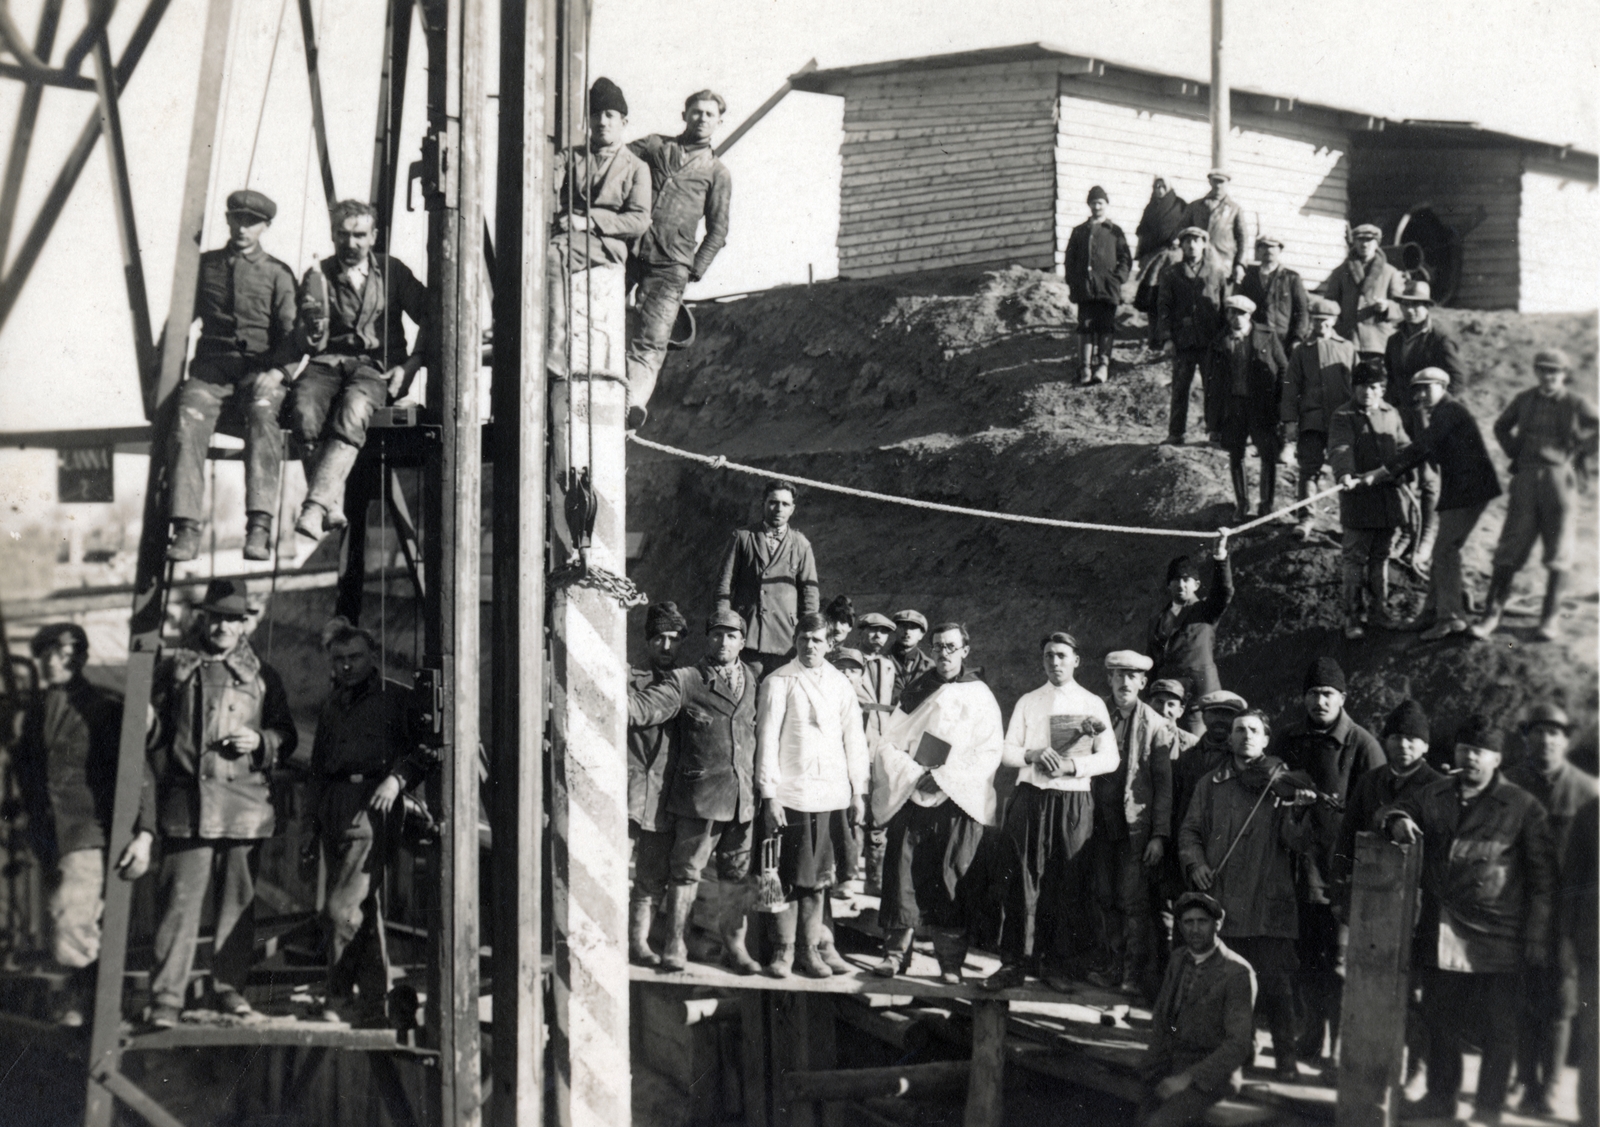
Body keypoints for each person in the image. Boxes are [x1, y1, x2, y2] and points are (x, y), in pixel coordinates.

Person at [1384, 717, 1555, 1126]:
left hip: (1499, 933)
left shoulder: (1521, 806)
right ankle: (1440, 1099)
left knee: (1498, 1029)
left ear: (1496, 758)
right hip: (1443, 929)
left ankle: (1488, 1108)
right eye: (1465, 750)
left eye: (1480, 752)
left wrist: (1536, 935)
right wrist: (1397, 820)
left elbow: (1544, 880)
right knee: (1440, 1020)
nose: (1471, 758)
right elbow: (1394, 809)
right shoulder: (1435, 793)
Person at [145, 579, 296, 1027]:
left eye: (233, 620)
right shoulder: (173, 672)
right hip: (186, 807)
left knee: (237, 907)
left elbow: (286, 735)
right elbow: (153, 737)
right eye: (217, 618)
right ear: (204, 619)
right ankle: (166, 999)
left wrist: (260, 740)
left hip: (243, 807)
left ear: (244, 624)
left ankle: (229, 991)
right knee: (178, 904)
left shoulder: (264, 676)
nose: (224, 628)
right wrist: (147, 720)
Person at [10, 625, 154, 1026]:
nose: (52, 662)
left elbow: (139, 773)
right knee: (70, 921)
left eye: (62, 655)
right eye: (46, 655)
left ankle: (89, 1006)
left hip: (87, 832)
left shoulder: (104, 709)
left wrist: (145, 833)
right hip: (49, 835)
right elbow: (28, 770)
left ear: (81, 660)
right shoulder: (36, 711)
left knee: (70, 919)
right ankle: (91, 1008)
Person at [308, 617, 435, 1026]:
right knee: (361, 906)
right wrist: (313, 823)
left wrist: (397, 780)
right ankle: (375, 999)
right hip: (336, 806)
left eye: (356, 657)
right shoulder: (333, 705)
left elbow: (429, 748)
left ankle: (339, 995)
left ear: (373, 656)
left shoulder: (395, 699)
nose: (347, 666)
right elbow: (318, 767)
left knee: (340, 909)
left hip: (373, 808)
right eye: (339, 659)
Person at [1179, 708, 1317, 1082]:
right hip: (1224, 897)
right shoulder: (1210, 783)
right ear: (1230, 738)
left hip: (1267, 899)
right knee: (1232, 985)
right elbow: (1189, 832)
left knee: (1276, 984)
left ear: (1266, 739)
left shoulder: (1280, 783)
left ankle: (1286, 1059)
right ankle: (1241, 1054)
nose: (1246, 736)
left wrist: (1299, 812)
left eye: (1254, 730)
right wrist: (1196, 864)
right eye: (1240, 730)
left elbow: (1296, 843)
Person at [166, 190, 300, 562]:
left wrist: (279, 373)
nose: (243, 228)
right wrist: (160, 370)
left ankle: (259, 527)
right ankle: (186, 529)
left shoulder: (278, 273)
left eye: (252, 222)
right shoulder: (205, 266)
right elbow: (178, 322)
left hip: (259, 374)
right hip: (211, 372)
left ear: (265, 226)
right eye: (237, 219)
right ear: (227, 219)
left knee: (263, 415)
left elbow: (293, 335)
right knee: (187, 420)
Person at [628, 610, 763, 974]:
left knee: (736, 875)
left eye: (731, 636)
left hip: (742, 800)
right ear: (707, 639)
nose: (723, 642)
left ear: (742, 641)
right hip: (699, 799)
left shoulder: (752, 679)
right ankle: (675, 943)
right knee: (686, 872)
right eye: (716, 634)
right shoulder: (686, 679)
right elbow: (643, 709)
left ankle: (736, 947)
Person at [982, 631, 1119, 992]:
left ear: (1076, 660)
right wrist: (1032, 754)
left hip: (1073, 800)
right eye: (1048, 655)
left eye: (1061, 655)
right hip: (1031, 797)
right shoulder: (1029, 701)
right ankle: (1013, 963)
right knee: (1020, 878)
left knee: (1067, 880)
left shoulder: (1092, 703)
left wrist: (1073, 767)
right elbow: (1006, 752)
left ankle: (1055, 964)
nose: (1055, 662)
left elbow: (1110, 758)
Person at [871, 623, 1005, 984]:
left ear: (965, 651)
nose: (943, 653)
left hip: (956, 799)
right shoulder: (918, 690)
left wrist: (945, 778)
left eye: (951, 647)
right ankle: (895, 955)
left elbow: (989, 750)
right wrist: (915, 774)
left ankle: (949, 962)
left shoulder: (980, 696)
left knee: (951, 878)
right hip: (913, 792)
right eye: (938, 647)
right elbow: (888, 743)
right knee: (902, 873)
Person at [290, 199, 431, 538]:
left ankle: (314, 507)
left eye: (359, 235)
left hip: (376, 368)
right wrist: (309, 328)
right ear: (332, 234)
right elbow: (301, 335)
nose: (350, 243)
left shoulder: (393, 271)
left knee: (354, 410)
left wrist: (412, 364)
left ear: (373, 236)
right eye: (343, 234)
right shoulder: (318, 275)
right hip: (327, 365)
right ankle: (330, 503)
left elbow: (433, 314)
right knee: (304, 408)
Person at [1269, 658, 1384, 1064]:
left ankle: (1339, 1045)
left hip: (1340, 873)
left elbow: (1377, 808)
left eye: (1328, 694)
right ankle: (1312, 1033)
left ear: (1343, 698)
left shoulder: (1362, 745)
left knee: (1337, 964)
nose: (1320, 701)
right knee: (1303, 958)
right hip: (1297, 869)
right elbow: (1271, 785)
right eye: (1314, 694)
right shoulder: (1288, 738)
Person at [754, 613, 869, 978]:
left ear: (829, 643)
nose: (809, 645)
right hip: (791, 795)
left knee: (819, 877)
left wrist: (858, 791)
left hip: (831, 795)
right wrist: (769, 795)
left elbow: (855, 741)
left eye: (817, 640)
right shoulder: (778, 682)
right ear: (795, 639)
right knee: (784, 876)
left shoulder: (840, 685)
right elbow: (766, 741)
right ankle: (783, 951)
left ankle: (810, 950)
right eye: (804, 638)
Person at [1505, 703, 1597, 1115]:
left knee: (1561, 1003)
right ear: (1526, 737)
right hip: (1518, 906)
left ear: (1566, 740)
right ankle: (1526, 1082)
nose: (1546, 740)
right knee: (1521, 999)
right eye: (1537, 732)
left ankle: (1551, 1088)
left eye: (1554, 733)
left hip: (1568, 910)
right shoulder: (1510, 783)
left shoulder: (1586, 790)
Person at [1363, 367, 1501, 640]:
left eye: (1427, 388)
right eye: (1419, 389)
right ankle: (1430, 613)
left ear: (1443, 387)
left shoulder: (1449, 411)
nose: (1422, 395)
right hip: (1462, 490)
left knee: (1445, 551)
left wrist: (1382, 472)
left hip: (1469, 492)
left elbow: (1422, 447)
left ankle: (1450, 618)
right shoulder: (1442, 412)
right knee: (1443, 551)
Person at [625, 90, 732, 428]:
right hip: (626, 251)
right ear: (684, 114)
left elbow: (718, 231)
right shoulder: (654, 146)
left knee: (652, 339)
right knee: (598, 316)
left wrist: (693, 270)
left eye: (709, 114)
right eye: (696, 112)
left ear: (719, 122)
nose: (702, 119)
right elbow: (615, 161)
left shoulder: (717, 173)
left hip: (671, 266)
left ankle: (632, 402)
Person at [1475, 348, 1600, 641]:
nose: (1548, 376)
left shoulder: (1575, 402)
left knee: (1559, 551)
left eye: (1554, 371)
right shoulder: (1525, 399)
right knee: (1510, 547)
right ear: (1536, 372)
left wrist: (1579, 454)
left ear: (1564, 374)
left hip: (1560, 479)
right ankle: (1491, 615)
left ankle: (1549, 619)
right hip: (1527, 478)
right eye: (1543, 370)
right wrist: (1515, 452)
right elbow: (1501, 426)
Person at [545, 78, 652, 387]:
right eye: (596, 115)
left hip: (606, 244)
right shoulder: (571, 156)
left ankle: (556, 350)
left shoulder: (636, 167)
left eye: (609, 115)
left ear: (623, 122)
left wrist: (589, 222)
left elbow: (639, 220)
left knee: (553, 255)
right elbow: (545, 178)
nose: (602, 122)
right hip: (568, 236)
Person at [1087, 650, 1177, 1000]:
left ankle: (1132, 975)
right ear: (1109, 679)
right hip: (1098, 824)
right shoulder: (1096, 715)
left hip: (1134, 830)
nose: (1124, 682)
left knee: (1132, 901)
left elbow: (1164, 787)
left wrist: (1159, 835)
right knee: (1104, 897)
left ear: (1142, 682)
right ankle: (1112, 966)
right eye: (1118, 675)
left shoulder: (1155, 725)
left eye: (1132, 676)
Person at [1135, 892, 1257, 1127]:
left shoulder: (1237, 972)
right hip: (1174, 1063)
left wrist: (1187, 1078)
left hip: (1213, 1075)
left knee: (1160, 1123)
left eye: (1202, 922)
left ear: (1217, 924)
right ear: (1180, 926)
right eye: (1188, 922)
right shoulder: (1178, 959)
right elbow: (1164, 1018)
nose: (1195, 929)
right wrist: (1153, 1061)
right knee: (1140, 1117)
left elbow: (1237, 1045)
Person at [1383, 278, 1462, 578]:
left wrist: (1440, 409)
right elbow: (1391, 378)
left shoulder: (1439, 338)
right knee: (1401, 474)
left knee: (1428, 478)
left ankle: (1425, 540)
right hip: (1401, 417)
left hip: (1428, 418)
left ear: (1427, 307)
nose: (1411, 310)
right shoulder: (1394, 340)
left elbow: (1457, 379)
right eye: (1406, 304)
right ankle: (1407, 533)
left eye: (1417, 305)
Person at [1329, 360, 1412, 637]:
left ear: (1382, 389)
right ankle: (1352, 616)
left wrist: (1402, 470)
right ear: (1354, 388)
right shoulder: (1343, 415)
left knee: (1381, 557)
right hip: (1358, 500)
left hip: (1388, 500)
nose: (1367, 392)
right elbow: (1340, 448)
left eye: (1374, 387)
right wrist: (1344, 473)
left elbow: (1404, 447)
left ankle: (1379, 611)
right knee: (1354, 559)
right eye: (1362, 386)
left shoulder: (1391, 414)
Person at [625, 601, 686, 966]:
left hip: (663, 798)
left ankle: (639, 943)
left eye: (674, 639)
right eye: (659, 638)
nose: (666, 646)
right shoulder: (625, 679)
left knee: (651, 879)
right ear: (648, 641)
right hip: (625, 793)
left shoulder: (688, 683)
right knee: (613, 868)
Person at [715, 481, 820, 679]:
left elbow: (810, 593)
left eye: (785, 504)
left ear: (792, 509)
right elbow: (724, 585)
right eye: (773, 502)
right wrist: (727, 629)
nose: (779, 509)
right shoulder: (743, 537)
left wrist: (807, 634)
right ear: (763, 504)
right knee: (746, 692)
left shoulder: (801, 544)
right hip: (748, 635)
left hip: (785, 639)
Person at [1283, 296, 1359, 541]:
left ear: (1334, 321)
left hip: (1341, 421)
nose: (1320, 325)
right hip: (1312, 421)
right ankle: (1306, 518)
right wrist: (1290, 421)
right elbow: (1291, 387)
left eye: (1325, 320)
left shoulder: (1347, 348)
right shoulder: (1301, 351)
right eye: (1316, 320)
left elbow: (1358, 384)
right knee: (1308, 470)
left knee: (1346, 472)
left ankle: (1350, 524)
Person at [1211, 294, 1290, 521]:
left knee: (1268, 453)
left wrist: (1281, 403)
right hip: (1234, 406)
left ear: (1249, 315)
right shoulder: (1219, 342)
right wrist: (1213, 420)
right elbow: (1212, 384)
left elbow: (1283, 370)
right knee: (1236, 454)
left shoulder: (1267, 336)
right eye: (1232, 312)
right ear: (1227, 315)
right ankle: (1242, 503)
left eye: (1242, 313)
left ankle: (1266, 505)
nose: (1237, 318)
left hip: (1261, 406)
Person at [1146, 542, 1233, 735]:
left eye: (1187, 580)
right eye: (1176, 580)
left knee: (1198, 744)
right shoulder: (1157, 619)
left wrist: (1220, 557)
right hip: (1166, 701)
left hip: (1199, 701)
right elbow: (1152, 662)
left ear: (1196, 585)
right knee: (1162, 744)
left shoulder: (1205, 611)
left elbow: (1224, 592)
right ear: (1169, 585)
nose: (1181, 584)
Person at [1155, 227, 1230, 445]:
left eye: (1196, 241)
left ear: (1204, 244)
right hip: (1183, 341)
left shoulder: (1217, 273)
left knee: (1213, 388)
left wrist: (1224, 337)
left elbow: (1225, 308)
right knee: (1180, 387)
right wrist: (1167, 338)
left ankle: (1215, 431)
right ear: (1182, 246)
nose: (1192, 245)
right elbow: (1164, 307)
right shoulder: (1171, 273)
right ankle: (1176, 432)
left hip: (1210, 341)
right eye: (1187, 241)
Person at [1064, 185, 1133, 385]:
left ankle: (1103, 365)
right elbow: (1069, 260)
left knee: (1106, 325)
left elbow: (1125, 258)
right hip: (1085, 288)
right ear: (1089, 205)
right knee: (1085, 325)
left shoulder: (1114, 231)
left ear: (1106, 204)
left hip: (1108, 288)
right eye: (1093, 203)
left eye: (1100, 203)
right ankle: (1085, 367)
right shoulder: (1079, 231)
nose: (1097, 207)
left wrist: (1117, 278)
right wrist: (1074, 281)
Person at [1562, 798, 1598, 1127]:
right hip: (1595, 945)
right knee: (1595, 1036)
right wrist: (1566, 937)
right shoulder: (1590, 814)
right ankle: (1593, 1115)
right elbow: (1571, 880)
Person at [1320, 223, 1404, 360]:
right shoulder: (1340, 272)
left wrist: (1387, 307)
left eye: (1369, 240)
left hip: (1377, 342)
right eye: (1360, 240)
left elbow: (1401, 306)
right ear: (1354, 242)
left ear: (1376, 243)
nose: (1364, 244)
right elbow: (1330, 303)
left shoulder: (1390, 272)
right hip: (1347, 338)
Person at [1237, 236, 1310, 357]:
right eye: (1264, 246)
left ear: (1280, 250)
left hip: (1282, 340)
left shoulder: (1291, 278)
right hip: (1255, 337)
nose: (1268, 250)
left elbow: (1302, 311)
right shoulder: (1250, 276)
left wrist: (1297, 338)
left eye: (1273, 247)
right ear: (1258, 250)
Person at [1181, 170, 1249, 284]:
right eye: (1215, 181)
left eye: (1221, 182)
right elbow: (1182, 233)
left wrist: (1240, 264)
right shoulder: (1194, 206)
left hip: (1224, 265)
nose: (1218, 185)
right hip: (1196, 264)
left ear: (1227, 183)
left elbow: (1243, 239)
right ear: (1210, 182)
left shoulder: (1235, 209)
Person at [890, 609, 935, 699]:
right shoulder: (879, 661)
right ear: (895, 630)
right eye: (903, 626)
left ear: (921, 635)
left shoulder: (930, 666)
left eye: (913, 628)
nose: (907, 631)